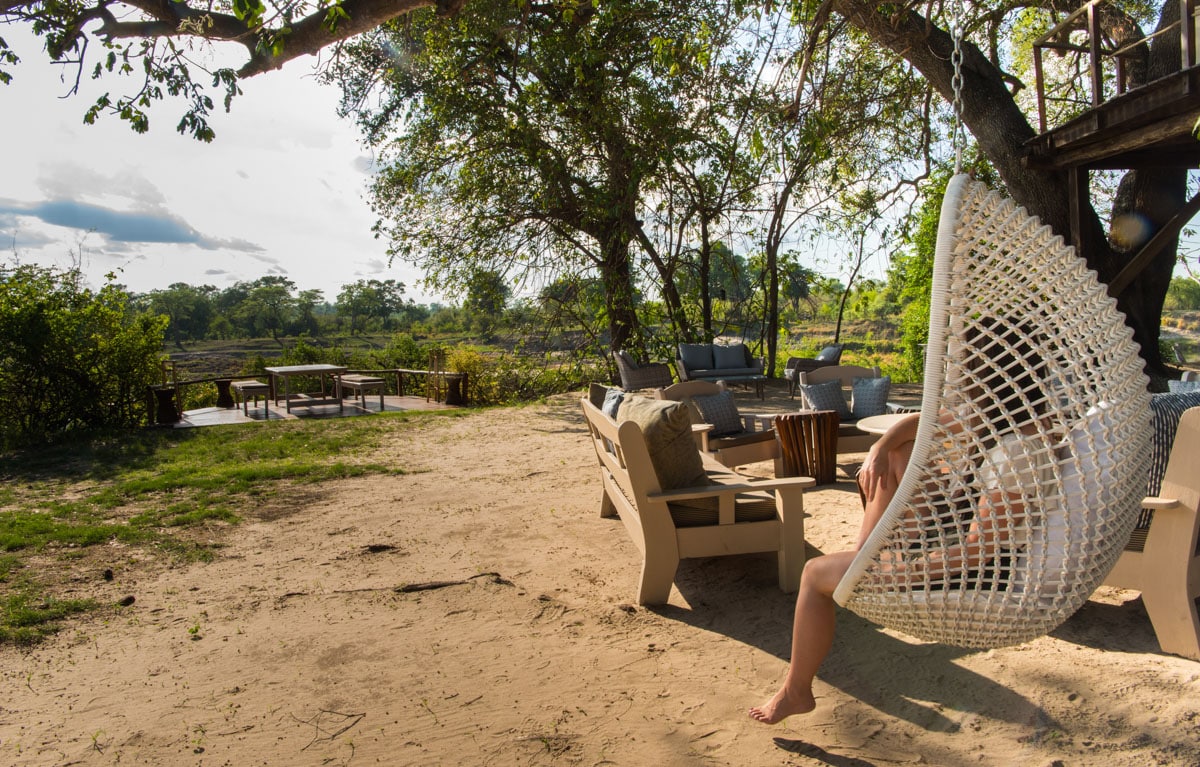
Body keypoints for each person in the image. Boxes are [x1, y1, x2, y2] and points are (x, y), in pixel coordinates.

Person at [749, 321, 1049, 725]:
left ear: (994, 378)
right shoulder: (1000, 422)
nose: (956, 377)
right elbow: (928, 422)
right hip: (959, 544)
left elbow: (983, 551)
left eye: (967, 369)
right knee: (901, 452)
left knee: (814, 573)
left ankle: (796, 691)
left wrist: (903, 570)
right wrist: (879, 447)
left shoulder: (1016, 452)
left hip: (978, 573)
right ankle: (862, 554)